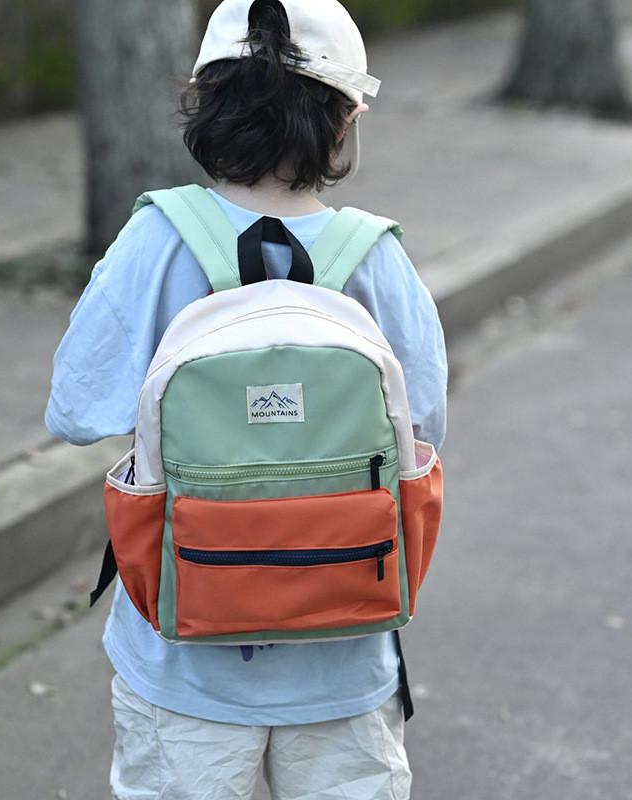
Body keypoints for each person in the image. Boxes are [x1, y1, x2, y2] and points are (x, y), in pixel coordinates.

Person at [44, 0, 447, 797]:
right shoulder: (376, 257)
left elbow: (75, 409)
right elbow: (424, 429)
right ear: (344, 121)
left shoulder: (155, 238)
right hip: (345, 643)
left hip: (183, 650)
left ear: (205, 108)